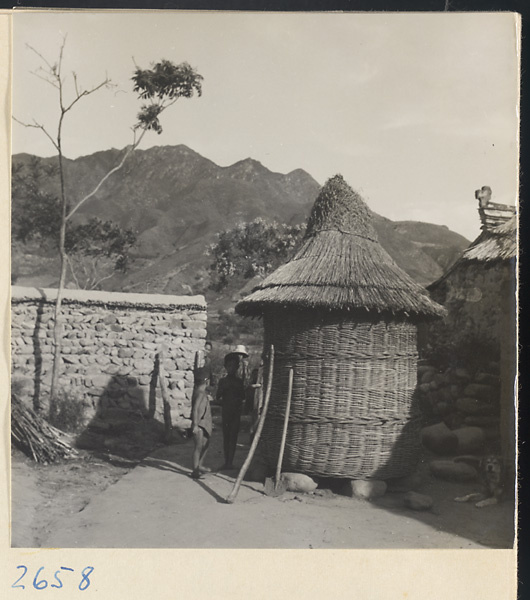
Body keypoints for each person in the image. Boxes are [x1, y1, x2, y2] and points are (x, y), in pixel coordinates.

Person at [216, 348, 247, 470]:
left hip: (236, 413)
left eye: (234, 366)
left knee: (233, 437)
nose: (231, 368)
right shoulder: (222, 381)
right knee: (226, 437)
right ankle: (226, 461)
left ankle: (230, 462)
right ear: (225, 367)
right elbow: (218, 396)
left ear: (237, 367)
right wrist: (224, 390)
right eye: (229, 366)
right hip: (226, 412)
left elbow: (243, 396)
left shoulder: (239, 382)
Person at [190, 343, 213, 479]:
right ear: (205, 381)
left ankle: (200, 465)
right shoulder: (199, 393)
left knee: (206, 443)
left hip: (203, 423)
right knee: (198, 446)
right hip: (198, 424)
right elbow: (194, 410)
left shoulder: (203, 393)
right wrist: (194, 425)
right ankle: (195, 470)